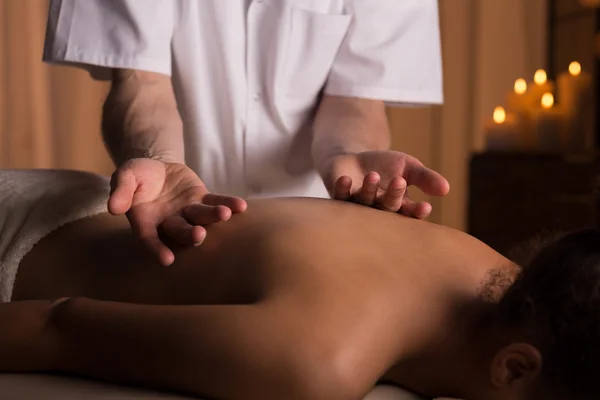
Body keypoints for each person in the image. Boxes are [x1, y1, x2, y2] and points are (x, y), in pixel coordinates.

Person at [1, 169, 598, 400]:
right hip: (19, 248)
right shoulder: (320, 358)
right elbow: (56, 326)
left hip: (73, 197)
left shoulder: (524, 287)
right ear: (515, 368)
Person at [43, 0, 450, 266]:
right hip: (176, 227)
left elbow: (355, 102)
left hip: (317, 240)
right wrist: (162, 162)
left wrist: (351, 155)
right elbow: (140, 82)